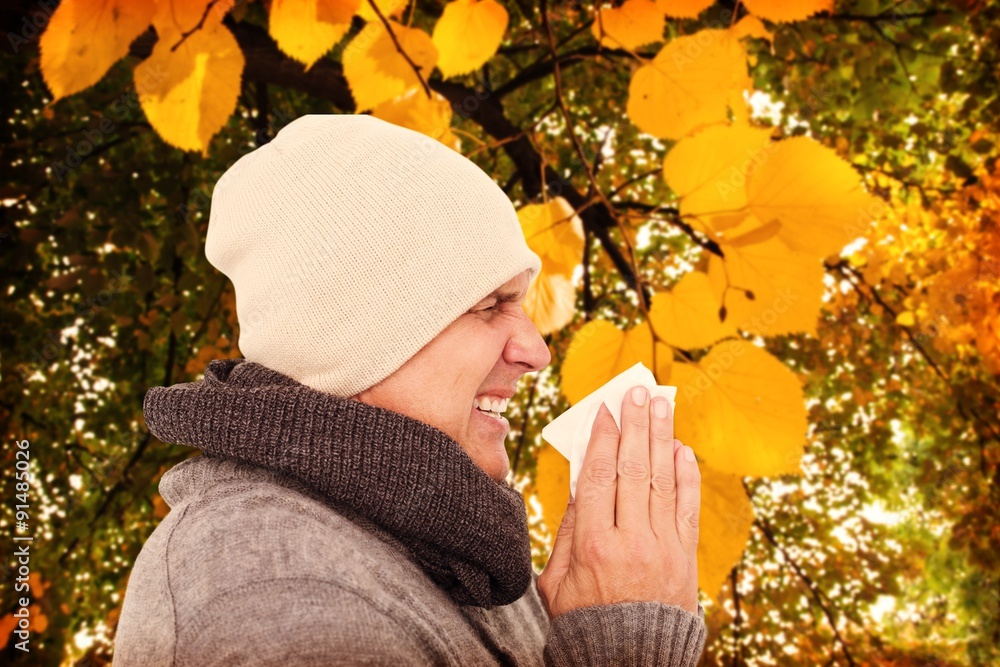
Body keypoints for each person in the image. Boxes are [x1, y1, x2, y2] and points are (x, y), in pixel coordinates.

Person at [113, 114, 707, 666]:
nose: (537, 351)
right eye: (489, 305)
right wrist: (625, 646)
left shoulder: (460, 559)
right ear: (348, 329)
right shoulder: (268, 590)